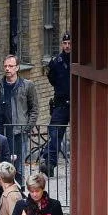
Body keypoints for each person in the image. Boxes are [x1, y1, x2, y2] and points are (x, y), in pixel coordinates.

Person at [0, 55, 39, 177]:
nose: (7, 69)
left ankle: (20, 189)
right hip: (2, 130)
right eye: (5, 66)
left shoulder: (27, 85)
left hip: (19, 131)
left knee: (19, 165)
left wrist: (27, 128)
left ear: (17, 68)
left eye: (10, 66)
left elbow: (34, 109)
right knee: (3, 163)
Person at [41, 34, 72, 176]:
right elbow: (53, 80)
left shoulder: (79, 61)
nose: (67, 46)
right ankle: (50, 163)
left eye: (69, 43)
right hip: (61, 103)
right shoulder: (56, 62)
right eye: (64, 43)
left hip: (78, 104)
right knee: (55, 133)